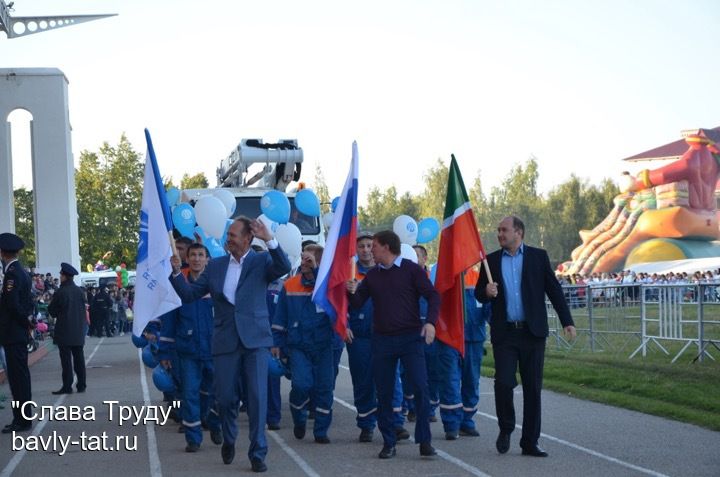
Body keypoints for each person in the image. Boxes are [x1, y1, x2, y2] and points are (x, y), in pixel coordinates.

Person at [170, 216, 290, 474]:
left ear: (247, 238)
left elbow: (283, 266)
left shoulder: (261, 261)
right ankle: (230, 437)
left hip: (255, 340)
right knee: (225, 398)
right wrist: (178, 273)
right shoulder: (216, 266)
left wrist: (269, 239)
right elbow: (190, 295)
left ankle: (257, 452)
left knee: (257, 398)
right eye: (228, 235)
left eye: (233, 235)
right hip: (225, 340)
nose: (228, 239)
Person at [475, 216, 576, 457]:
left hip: (533, 333)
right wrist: (486, 292)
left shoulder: (538, 257)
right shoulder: (490, 261)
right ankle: (506, 427)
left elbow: (554, 290)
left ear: (518, 232)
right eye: (498, 230)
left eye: (504, 230)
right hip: (506, 333)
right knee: (503, 383)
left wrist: (567, 321)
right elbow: (479, 294)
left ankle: (530, 441)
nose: (500, 234)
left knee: (532, 388)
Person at [347, 230, 440, 460]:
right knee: (385, 392)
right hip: (383, 340)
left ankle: (425, 441)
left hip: (410, 338)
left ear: (386, 247)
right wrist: (351, 292)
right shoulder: (373, 276)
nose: (370, 251)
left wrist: (430, 323)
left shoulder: (411, 270)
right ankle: (389, 442)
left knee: (420, 386)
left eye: (374, 246)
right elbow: (358, 303)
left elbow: (433, 296)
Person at [159, 243, 222, 452]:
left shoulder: (216, 285)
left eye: (200, 255)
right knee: (190, 393)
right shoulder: (179, 284)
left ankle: (213, 422)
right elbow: (169, 322)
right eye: (193, 255)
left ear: (207, 259)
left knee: (214, 392)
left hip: (214, 350)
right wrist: (165, 351)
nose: (196, 258)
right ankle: (193, 438)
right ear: (187, 258)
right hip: (188, 350)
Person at [272, 244, 335, 443]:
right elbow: (280, 316)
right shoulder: (290, 285)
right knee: (301, 385)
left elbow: (335, 304)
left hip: (324, 345)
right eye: (304, 258)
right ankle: (299, 418)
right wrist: (276, 343)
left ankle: (321, 431)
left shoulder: (328, 285)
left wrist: (317, 268)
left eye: (311, 259)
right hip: (298, 345)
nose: (306, 262)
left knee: (324, 388)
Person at [0, 233, 34, 433]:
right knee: (21, 377)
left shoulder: (12, 274)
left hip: (13, 332)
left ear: (3, 252)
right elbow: (25, 302)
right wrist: (27, 321)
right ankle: (23, 417)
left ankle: (21, 420)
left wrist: (25, 322)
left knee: (17, 379)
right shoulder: (22, 272)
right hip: (18, 332)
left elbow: (12, 305)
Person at [48, 263, 87, 394]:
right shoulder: (80, 292)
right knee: (79, 359)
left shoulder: (61, 292)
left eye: (61, 275)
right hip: (78, 331)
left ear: (64, 276)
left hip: (64, 331)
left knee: (66, 361)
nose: (60, 276)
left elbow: (52, 311)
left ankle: (67, 386)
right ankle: (81, 385)